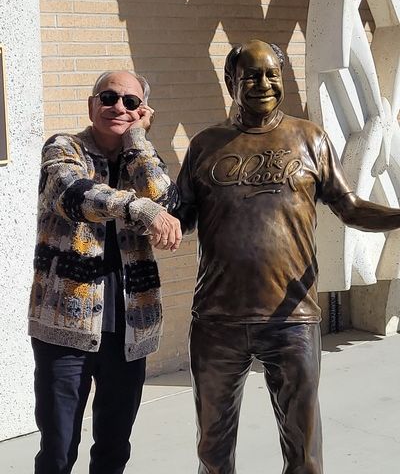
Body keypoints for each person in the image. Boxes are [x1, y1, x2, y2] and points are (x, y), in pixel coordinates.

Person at [175, 39, 400, 474]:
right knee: (212, 452)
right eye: (251, 75)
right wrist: (144, 213)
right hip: (217, 320)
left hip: (292, 318)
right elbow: (179, 218)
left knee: (304, 452)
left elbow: (350, 207)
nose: (263, 83)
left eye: (271, 74)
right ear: (230, 81)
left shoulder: (309, 138)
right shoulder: (205, 145)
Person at [28, 70, 182, 474]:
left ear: (142, 110)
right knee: (58, 449)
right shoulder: (65, 147)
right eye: (109, 97)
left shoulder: (139, 157)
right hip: (64, 325)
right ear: (92, 103)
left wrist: (139, 140)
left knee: (115, 446)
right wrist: (137, 207)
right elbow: (70, 192)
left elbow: (166, 199)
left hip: (130, 325)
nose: (118, 107)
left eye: (130, 102)